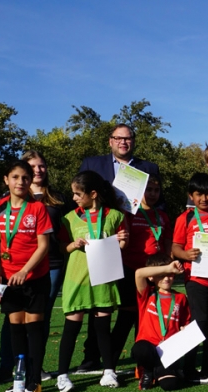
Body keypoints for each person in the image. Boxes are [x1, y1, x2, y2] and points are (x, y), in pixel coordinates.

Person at [76, 124, 160, 373]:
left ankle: (140, 357)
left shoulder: (148, 168)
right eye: (118, 138)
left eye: (128, 138)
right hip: (103, 243)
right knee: (100, 306)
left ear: (134, 141)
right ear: (110, 141)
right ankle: (91, 357)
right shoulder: (92, 164)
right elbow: (81, 201)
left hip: (135, 247)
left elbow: (158, 205)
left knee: (133, 308)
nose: (124, 142)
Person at [0, 160, 53, 392]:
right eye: (15, 177)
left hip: (35, 278)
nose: (20, 182)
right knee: (16, 329)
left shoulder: (38, 208)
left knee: (33, 329)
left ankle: (35, 381)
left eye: (25, 177)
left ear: (30, 180)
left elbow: (43, 245)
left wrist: (25, 271)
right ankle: (19, 380)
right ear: (6, 180)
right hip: (9, 280)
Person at [54, 171, 128, 392]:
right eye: (73, 194)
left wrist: (120, 242)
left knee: (102, 329)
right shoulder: (68, 218)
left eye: (78, 193)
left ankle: (109, 371)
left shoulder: (115, 216)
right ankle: (63, 376)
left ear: (92, 194)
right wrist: (74, 245)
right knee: (71, 329)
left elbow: (122, 247)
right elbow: (61, 248)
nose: (74, 198)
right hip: (77, 280)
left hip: (104, 279)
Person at [171, 173, 208, 384]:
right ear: (191, 196)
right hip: (195, 279)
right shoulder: (185, 218)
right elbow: (175, 247)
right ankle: (187, 368)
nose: (204, 199)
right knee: (200, 323)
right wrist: (185, 254)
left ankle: (206, 369)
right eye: (199, 194)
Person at [113, 176, 171, 369]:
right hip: (131, 270)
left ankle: (144, 362)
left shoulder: (162, 217)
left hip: (156, 273)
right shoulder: (129, 214)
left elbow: (166, 244)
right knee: (127, 316)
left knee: (148, 317)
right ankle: (110, 362)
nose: (153, 194)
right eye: (149, 190)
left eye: (156, 190)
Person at [22, 151, 70, 382]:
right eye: (33, 166)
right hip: (20, 264)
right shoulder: (16, 196)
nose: (39, 170)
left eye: (42, 166)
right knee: (17, 315)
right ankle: (13, 364)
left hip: (52, 263)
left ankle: (36, 366)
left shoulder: (58, 198)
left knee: (43, 315)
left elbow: (68, 228)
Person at [133, 255, 190, 391]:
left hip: (168, 351)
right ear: (152, 276)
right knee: (140, 349)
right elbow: (139, 273)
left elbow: (185, 322)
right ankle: (147, 370)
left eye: (170, 274)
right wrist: (168, 267)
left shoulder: (180, 298)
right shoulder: (148, 294)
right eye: (161, 275)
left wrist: (185, 329)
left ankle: (158, 370)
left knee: (170, 386)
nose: (166, 278)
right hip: (149, 347)